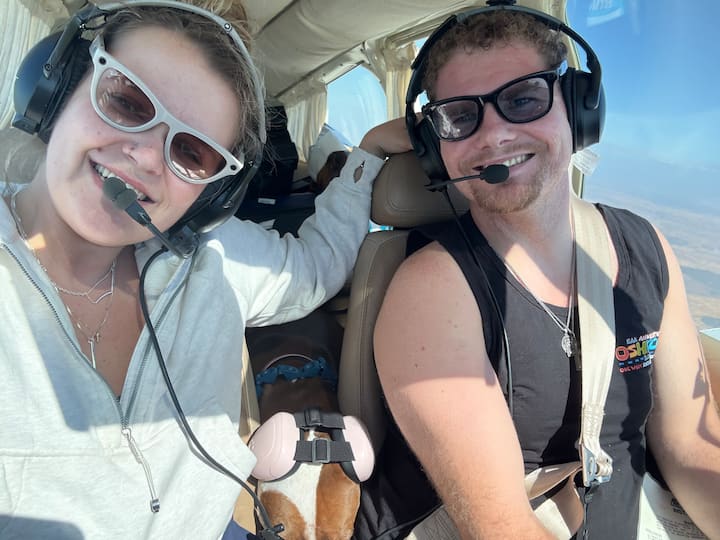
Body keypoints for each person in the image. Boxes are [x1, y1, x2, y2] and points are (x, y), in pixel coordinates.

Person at [0, 1, 409, 538]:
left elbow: (316, 266)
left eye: (192, 151)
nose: (147, 157)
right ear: (54, 88)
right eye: (127, 101)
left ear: (214, 197)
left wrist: (368, 154)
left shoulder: (217, 253)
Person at [372, 6, 720, 540]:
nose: (494, 135)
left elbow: (689, 446)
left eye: (523, 99)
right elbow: (500, 525)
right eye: (460, 116)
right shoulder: (431, 291)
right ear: (435, 148)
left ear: (578, 108)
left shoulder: (646, 247)